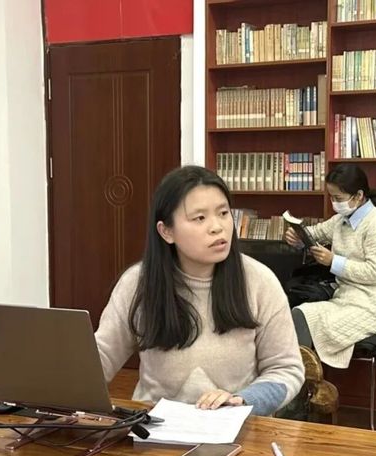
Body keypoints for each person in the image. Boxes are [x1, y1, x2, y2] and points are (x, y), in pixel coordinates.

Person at [95, 165, 305, 416]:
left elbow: (286, 370)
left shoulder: (260, 281)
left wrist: (242, 400)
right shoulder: (138, 283)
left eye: (223, 213)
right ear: (166, 231)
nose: (217, 227)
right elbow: (101, 357)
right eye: (199, 218)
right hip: (155, 427)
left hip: (237, 426)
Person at [285, 163, 376, 368]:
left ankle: (300, 379)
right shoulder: (341, 220)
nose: (334, 204)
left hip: (371, 307)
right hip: (343, 300)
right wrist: (298, 237)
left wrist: (333, 262)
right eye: (331, 197)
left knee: (304, 319)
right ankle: (299, 378)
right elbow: (315, 233)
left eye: (338, 198)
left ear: (358, 196)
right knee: (299, 313)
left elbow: (375, 272)